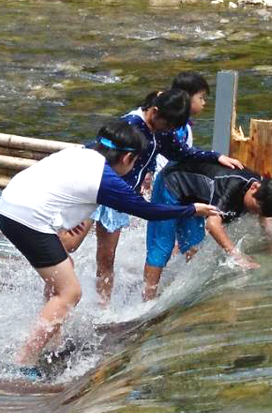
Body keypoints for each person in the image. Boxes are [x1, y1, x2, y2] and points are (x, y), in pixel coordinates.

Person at [0, 120, 218, 378]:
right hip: (26, 218)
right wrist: (193, 209)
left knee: (64, 270)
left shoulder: (86, 152)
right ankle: (23, 361)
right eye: (135, 162)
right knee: (70, 292)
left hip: (10, 205)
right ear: (126, 157)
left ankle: (53, 339)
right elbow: (147, 211)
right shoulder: (105, 179)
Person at [88, 88, 243, 305]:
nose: (169, 130)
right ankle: (92, 301)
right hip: (98, 191)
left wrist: (215, 157)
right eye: (168, 125)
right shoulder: (130, 125)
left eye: (173, 128)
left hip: (122, 197)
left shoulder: (160, 130)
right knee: (90, 251)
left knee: (107, 256)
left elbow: (179, 152)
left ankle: (101, 305)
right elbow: (97, 151)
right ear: (155, 111)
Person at [143, 161, 272, 299]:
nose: (254, 213)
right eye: (254, 209)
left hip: (194, 196)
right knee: (162, 247)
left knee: (194, 247)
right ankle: (147, 300)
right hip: (171, 185)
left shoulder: (261, 193)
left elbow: (264, 219)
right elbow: (212, 225)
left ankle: (175, 289)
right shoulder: (231, 186)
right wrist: (237, 255)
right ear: (255, 187)